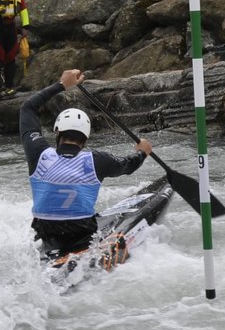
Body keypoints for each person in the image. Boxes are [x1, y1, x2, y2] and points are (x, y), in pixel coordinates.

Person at [20, 68, 153, 261]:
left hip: (47, 234)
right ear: (86, 137)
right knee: (87, 229)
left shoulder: (38, 153)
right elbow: (128, 166)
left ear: (58, 133)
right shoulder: (98, 160)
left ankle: (50, 257)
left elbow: (27, 108)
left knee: (49, 236)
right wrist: (142, 152)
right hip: (81, 235)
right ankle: (84, 255)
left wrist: (61, 85)